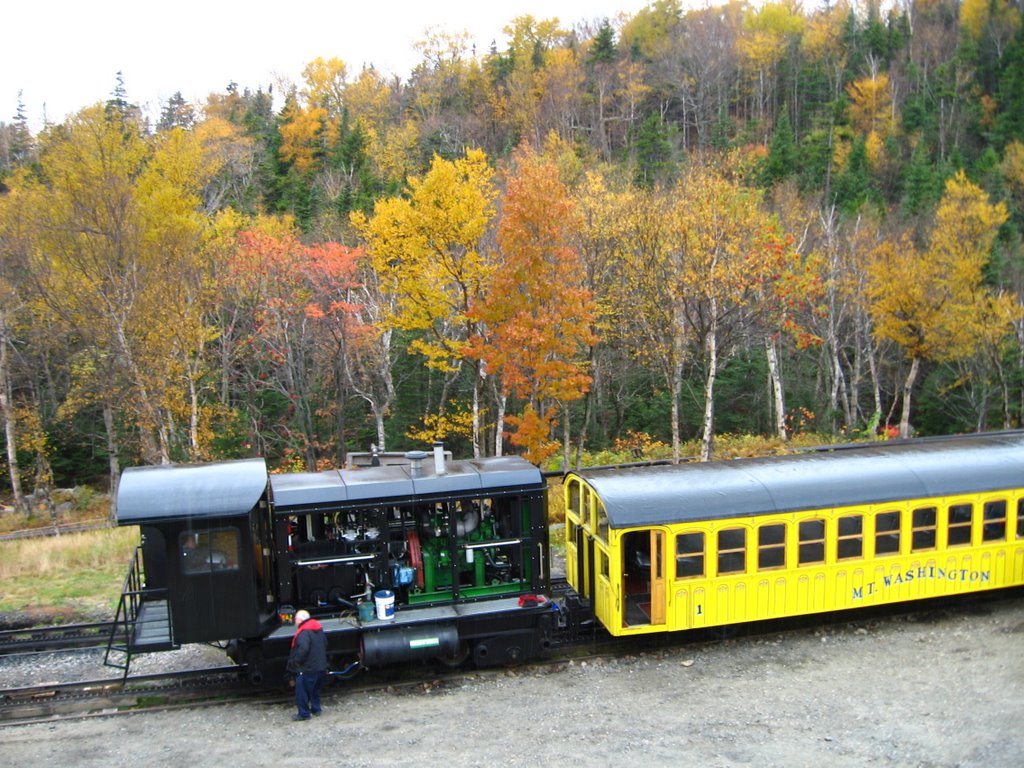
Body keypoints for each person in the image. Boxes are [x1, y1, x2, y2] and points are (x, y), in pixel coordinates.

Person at [286, 609, 328, 721]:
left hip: (308, 668)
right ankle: (316, 709)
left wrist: (296, 662)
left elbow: (303, 649)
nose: (295, 621)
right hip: (320, 666)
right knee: (315, 690)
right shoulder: (318, 629)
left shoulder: (304, 632)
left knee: (302, 691)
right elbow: (325, 643)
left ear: (300, 620)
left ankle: (304, 713)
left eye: (295, 619)